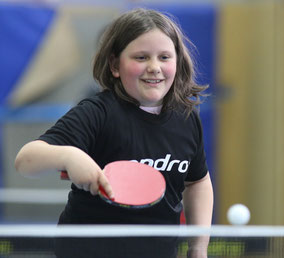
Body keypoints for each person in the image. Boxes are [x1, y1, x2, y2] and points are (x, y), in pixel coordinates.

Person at [14, 8, 213, 258]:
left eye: (164, 57)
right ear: (114, 65)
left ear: (177, 62)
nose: (154, 67)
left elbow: (198, 181)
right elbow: (26, 159)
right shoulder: (98, 112)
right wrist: (70, 157)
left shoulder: (185, 119)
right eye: (141, 57)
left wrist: (198, 247)